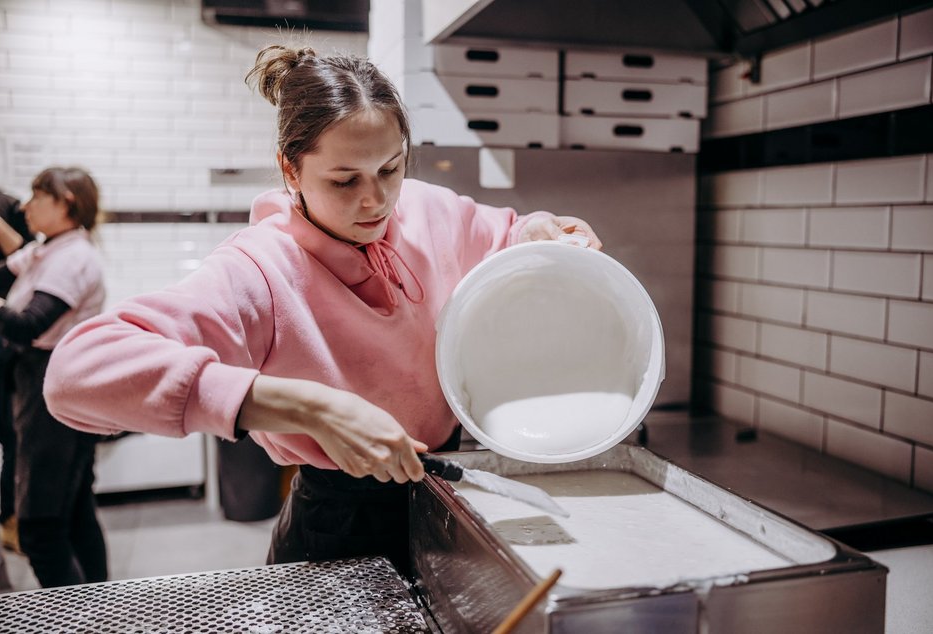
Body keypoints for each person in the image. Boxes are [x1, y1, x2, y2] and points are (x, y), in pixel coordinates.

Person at [43, 46, 601, 575]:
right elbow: (75, 373)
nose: (376, 201)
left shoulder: (427, 209)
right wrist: (306, 409)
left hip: (445, 498)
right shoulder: (259, 271)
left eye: (391, 169)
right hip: (338, 526)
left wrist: (540, 231)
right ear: (291, 171)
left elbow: (502, 233)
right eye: (344, 180)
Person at [2, 167, 107, 588]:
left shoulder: (73, 258)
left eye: (36, 196)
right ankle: (102, 609)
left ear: (66, 203)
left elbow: (28, 324)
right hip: (54, 384)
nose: (26, 206)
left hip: (52, 388)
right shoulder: (50, 248)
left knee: (40, 530)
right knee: (76, 512)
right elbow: (5, 273)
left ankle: (74, 616)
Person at [0, 189, 32, 556]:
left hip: (6, 340)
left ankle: (10, 520)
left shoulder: (8, 205)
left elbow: (21, 251)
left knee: (12, 434)